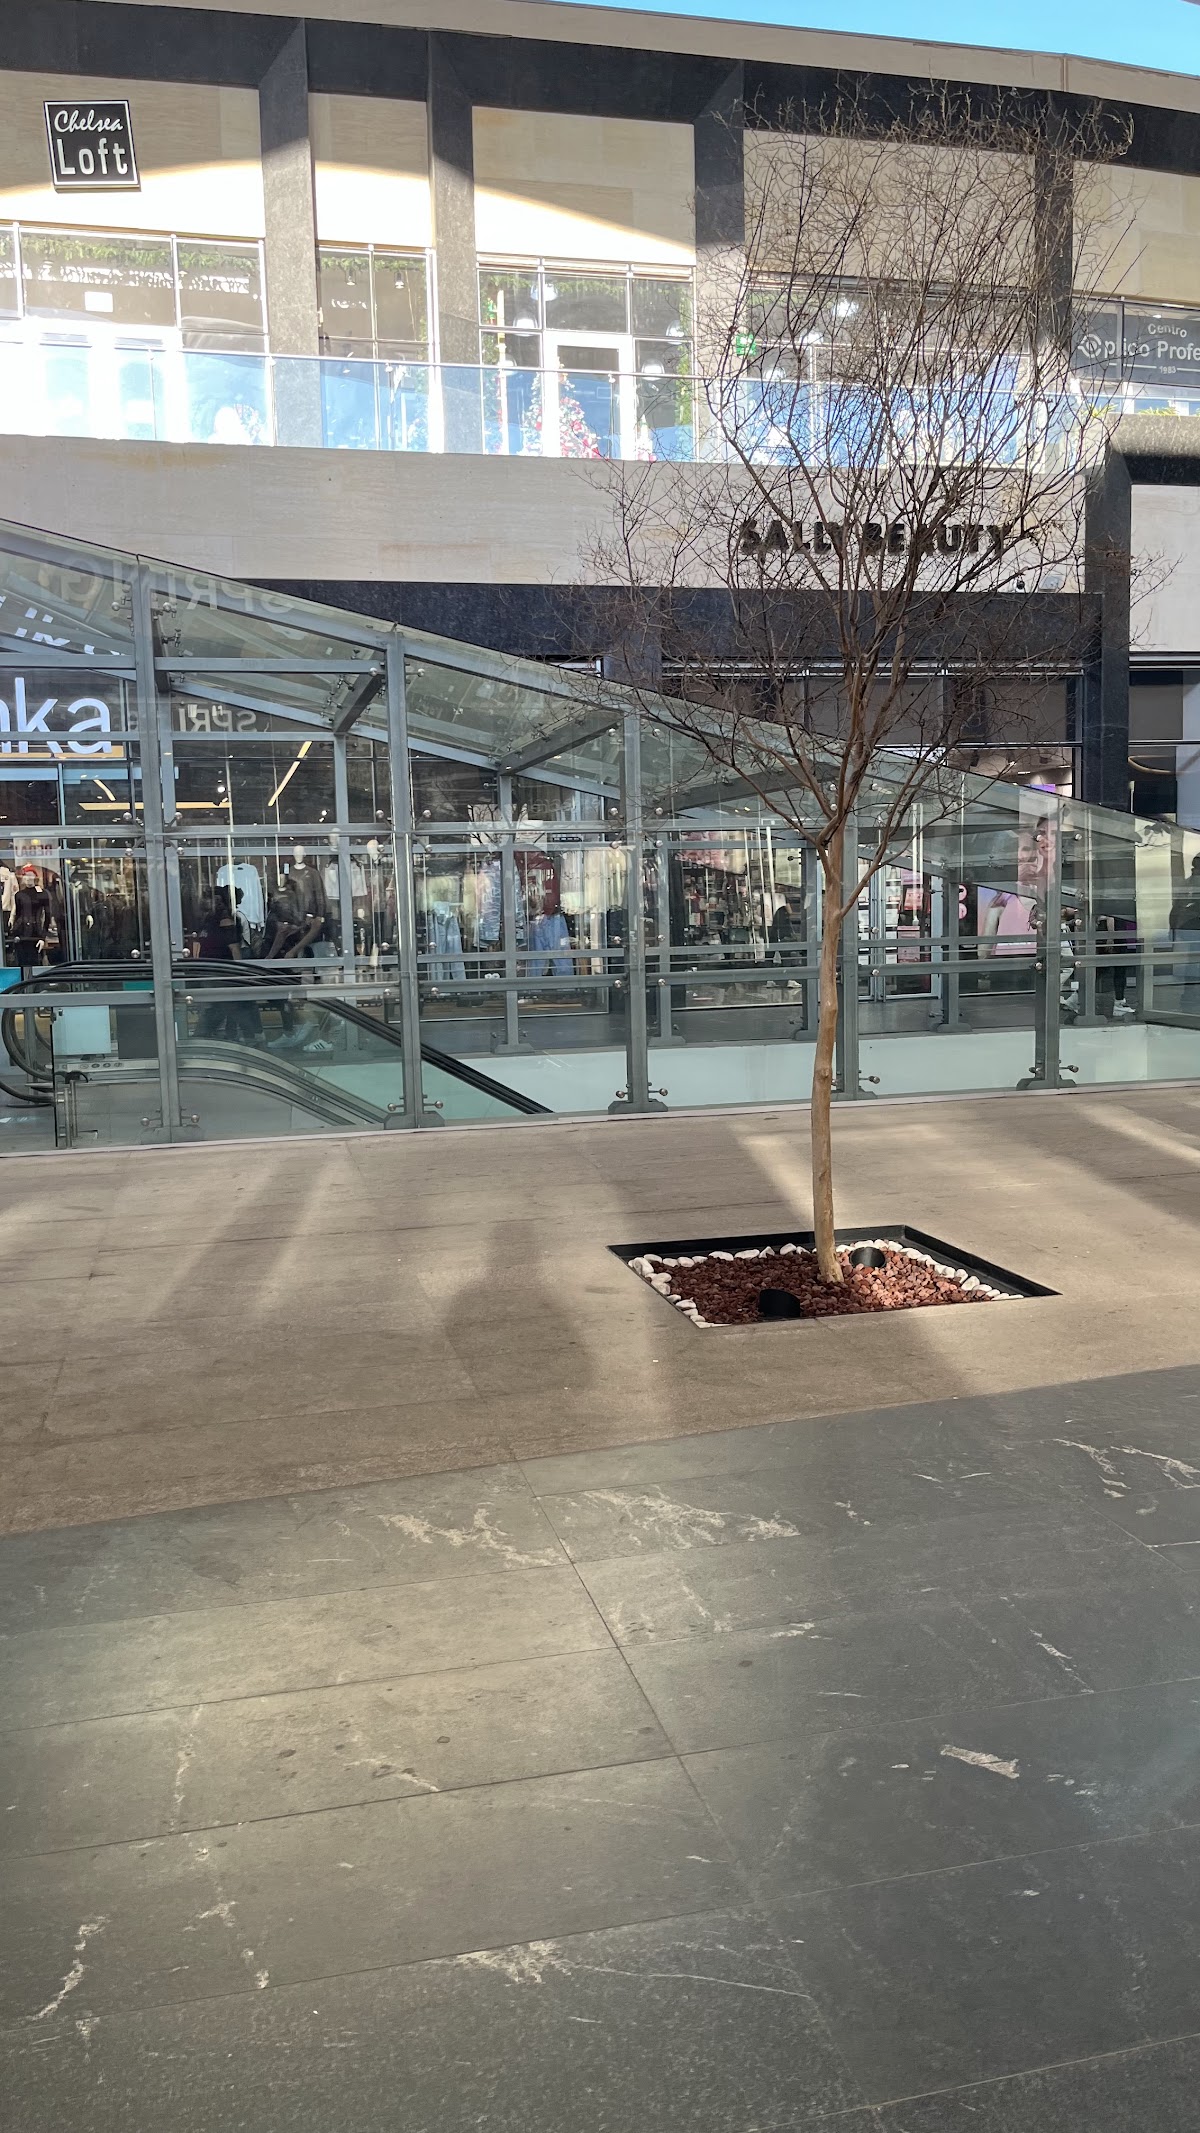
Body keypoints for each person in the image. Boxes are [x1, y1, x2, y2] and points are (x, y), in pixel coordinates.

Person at [1169, 855, 1200, 1014]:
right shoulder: (1193, 882)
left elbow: (1176, 907)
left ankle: (1188, 995)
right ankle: (1190, 995)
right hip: (1194, 926)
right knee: (1193, 962)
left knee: (1192, 962)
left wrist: (1173, 928)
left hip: (1187, 927)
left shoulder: (1189, 882)